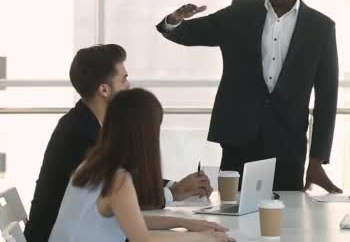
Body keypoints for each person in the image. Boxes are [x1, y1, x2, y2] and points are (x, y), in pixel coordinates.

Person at [156, 0, 341, 192]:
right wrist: (175, 20)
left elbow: (327, 100)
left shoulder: (320, 28)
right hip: (238, 139)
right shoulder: (240, 13)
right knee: (233, 219)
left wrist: (317, 159)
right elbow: (189, 33)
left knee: (287, 222)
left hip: (288, 145)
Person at [25, 44, 212, 242]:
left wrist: (185, 221)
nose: (128, 86)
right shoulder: (81, 135)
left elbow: (127, 211)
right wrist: (176, 196)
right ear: (104, 89)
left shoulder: (92, 131)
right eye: (123, 80)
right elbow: (130, 207)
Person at [49, 88, 231, 242]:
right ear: (144, 135)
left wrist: (185, 222)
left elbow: (132, 219)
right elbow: (143, 239)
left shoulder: (93, 165)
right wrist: (205, 237)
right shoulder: (118, 180)